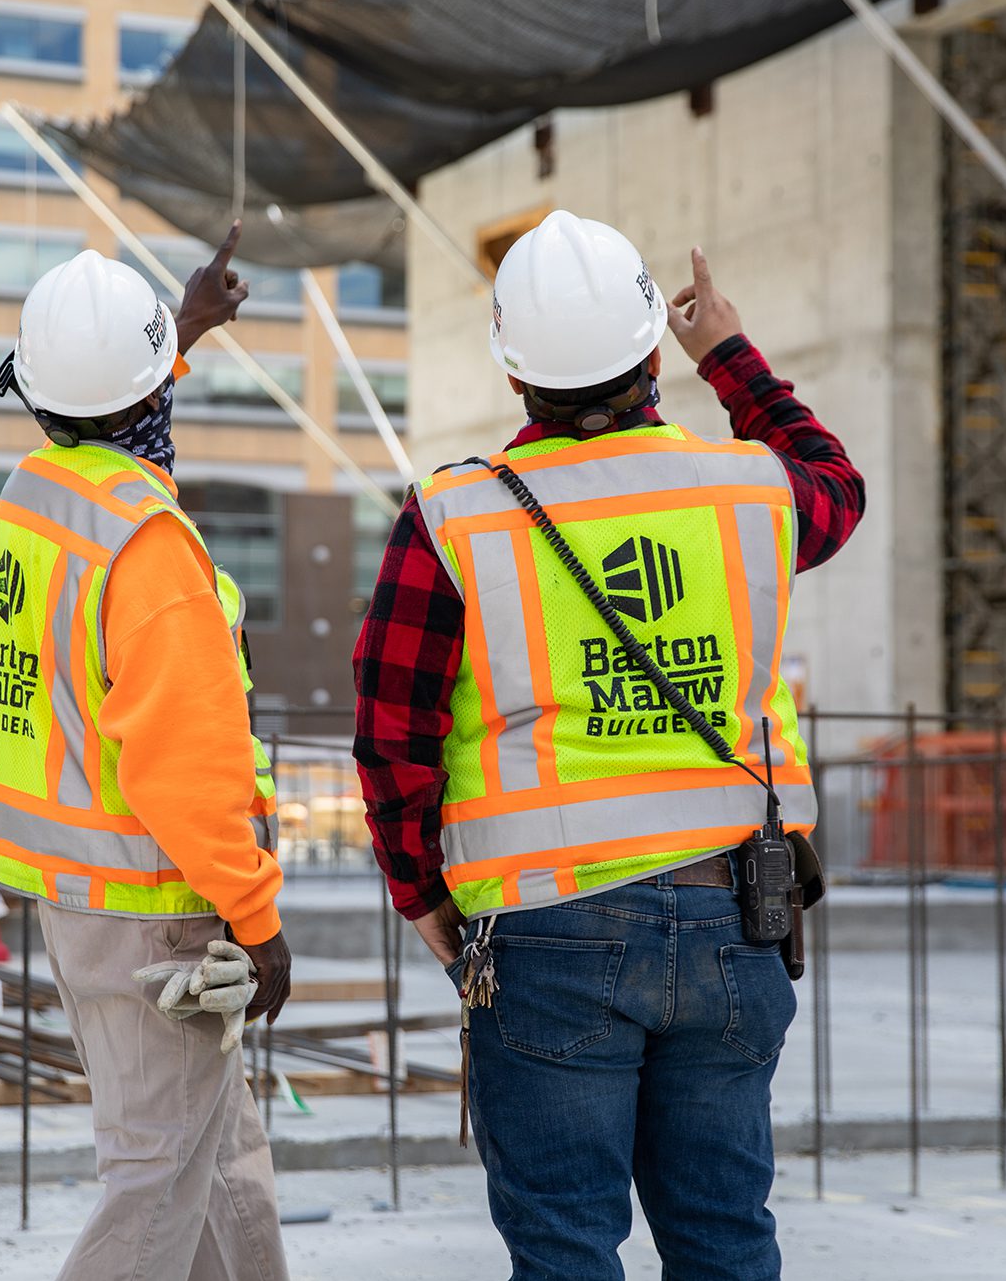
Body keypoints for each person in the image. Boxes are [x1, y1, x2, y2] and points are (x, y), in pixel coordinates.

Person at [352, 211, 865, 1280]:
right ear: (648, 356)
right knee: (724, 1237)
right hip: (737, 917)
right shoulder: (749, 489)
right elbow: (834, 480)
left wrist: (422, 897)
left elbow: (392, 727)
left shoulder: (455, 517)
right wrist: (726, 353)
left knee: (564, 1248)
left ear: (513, 372)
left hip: (543, 935)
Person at [0, 225, 291, 1281]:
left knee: (220, 1157)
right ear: (148, 396)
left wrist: (186, 320)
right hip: (154, 905)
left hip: (81, 894)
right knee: (158, 1173)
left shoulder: (37, 491)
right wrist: (256, 921)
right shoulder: (152, 549)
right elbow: (188, 770)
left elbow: (112, 415)